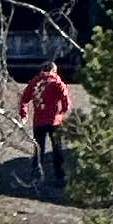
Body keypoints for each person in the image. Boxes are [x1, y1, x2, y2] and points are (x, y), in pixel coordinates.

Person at [18, 57, 74, 194]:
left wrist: (24, 114)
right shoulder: (57, 82)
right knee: (57, 149)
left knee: (39, 149)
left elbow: (24, 99)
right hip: (54, 121)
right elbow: (65, 98)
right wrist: (63, 111)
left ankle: (36, 176)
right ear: (54, 70)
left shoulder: (35, 82)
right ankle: (59, 176)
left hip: (38, 121)